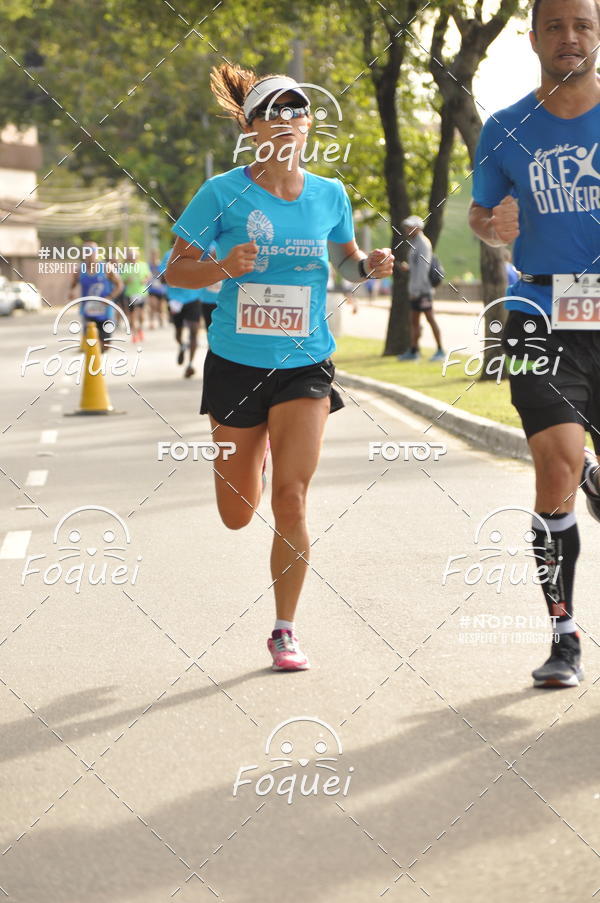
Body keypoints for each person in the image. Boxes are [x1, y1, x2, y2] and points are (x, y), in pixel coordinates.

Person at [166, 63, 394, 671]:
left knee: (292, 500)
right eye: (274, 111)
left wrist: (366, 268)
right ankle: (253, 456)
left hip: (305, 364)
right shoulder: (221, 193)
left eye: (298, 110)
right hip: (237, 363)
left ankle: (284, 630)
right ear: (250, 125)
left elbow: (345, 263)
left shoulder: (330, 194)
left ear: (309, 123)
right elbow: (175, 271)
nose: (288, 120)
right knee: (238, 513)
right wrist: (223, 268)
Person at [469, 0, 600, 688]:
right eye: (556, 25)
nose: (569, 37)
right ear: (535, 37)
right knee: (555, 465)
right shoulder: (504, 127)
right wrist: (495, 224)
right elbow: (481, 217)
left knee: (573, 463)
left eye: (582, 24)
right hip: (538, 312)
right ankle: (564, 636)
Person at [397, 215, 445, 362]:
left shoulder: (423, 244)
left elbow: (423, 269)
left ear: (417, 228)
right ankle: (413, 350)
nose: (407, 229)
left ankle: (440, 350)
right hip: (417, 289)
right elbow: (417, 267)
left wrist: (416, 291)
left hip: (422, 291)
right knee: (414, 321)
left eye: (410, 227)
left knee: (430, 319)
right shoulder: (414, 243)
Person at [68, 241, 123, 352]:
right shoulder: (79, 270)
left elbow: (119, 285)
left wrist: (110, 297)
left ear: (96, 253)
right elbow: (73, 284)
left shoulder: (107, 268)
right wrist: (71, 291)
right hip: (88, 311)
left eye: (91, 252)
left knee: (106, 346)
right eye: (86, 252)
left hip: (105, 312)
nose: (88, 255)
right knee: (92, 342)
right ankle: (92, 365)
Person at [161, 246, 204, 378]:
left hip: (193, 298)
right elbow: (163, 278)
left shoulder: (199, 253)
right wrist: (174, 273)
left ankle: (190, 364)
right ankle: (182, 345)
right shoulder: (168, 255)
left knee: (194, 330)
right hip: (175, 300)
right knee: (178, 333)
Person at [122, 248, 151, 343]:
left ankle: (140, 329)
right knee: (132, 315)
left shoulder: (143, 265)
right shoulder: (125, 266)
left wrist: (145, 280)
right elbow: (121, 280)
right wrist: (127, 281)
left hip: (142, 293)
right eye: (131, 256)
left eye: (134, 256)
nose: (133, 258)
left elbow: (149, 275)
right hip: (130, 293)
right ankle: (134, 335)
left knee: (142, 316)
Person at [147, 248, 167, 328]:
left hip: (161, 289)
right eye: (152, 255)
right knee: (153, 305)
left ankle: (161, 320)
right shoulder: (148, 265)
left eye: (155, 255)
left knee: (160, 307)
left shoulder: (161, 264)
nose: (153, 257)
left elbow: (165, 275)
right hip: (152, 289)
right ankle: (151, 322)